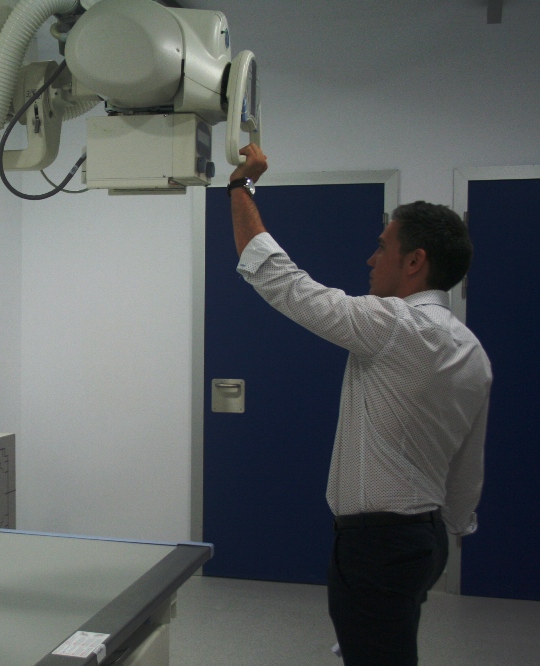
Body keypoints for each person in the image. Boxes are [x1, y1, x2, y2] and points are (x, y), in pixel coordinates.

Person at [226, 143, 492, 665]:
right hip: (425, 540)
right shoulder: (472, 351)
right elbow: (468, 464)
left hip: (378, 547)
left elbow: (284, 283)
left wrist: (240, 188)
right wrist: (454, 528)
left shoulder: (396, 326)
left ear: (414, 261)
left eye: (382, 247)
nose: (371, 259)